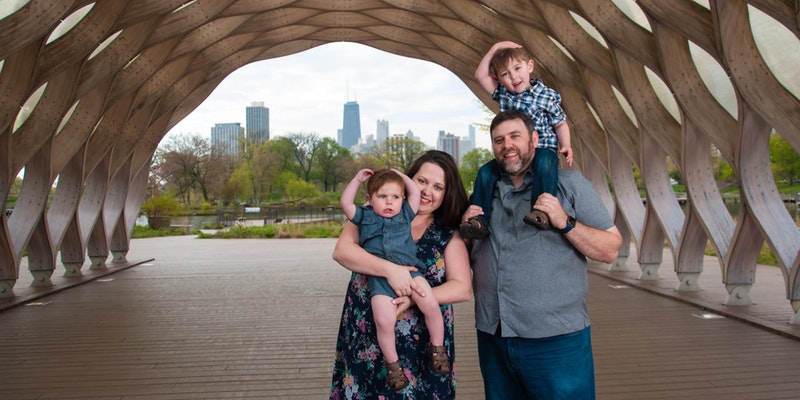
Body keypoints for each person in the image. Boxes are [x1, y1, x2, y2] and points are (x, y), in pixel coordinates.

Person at [466, 110, 622, 399]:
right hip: (494, 337)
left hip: (557, 341)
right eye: (499, 140)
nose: (507, 145)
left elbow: (611, 248)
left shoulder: (570, 185)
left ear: (535, 139)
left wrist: (565, 222)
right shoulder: (482, 197)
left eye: (515, 136)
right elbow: (458, 259)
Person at [330, 150, 471, 399]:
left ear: (447, 193)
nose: (428, 191)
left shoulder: (448, 232)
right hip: (369, 333)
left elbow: (462, 288)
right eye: (422, 181)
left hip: (421, 345)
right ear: (409, 179)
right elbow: (342, 251)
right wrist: (391, 270)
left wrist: (415, 297)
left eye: (438, 187)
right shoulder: (375, 210)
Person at [460, 41, 574, 239]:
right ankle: (479, 219)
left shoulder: (546, 96)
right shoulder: (504, 94)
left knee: (546, 164)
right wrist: (495, 47)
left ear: (530, 66)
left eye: (517, 68)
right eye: (505, 74)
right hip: (512, 153)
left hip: (542, 148)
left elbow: (560, 123)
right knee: (486, 172)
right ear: (499, 79)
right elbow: (480, 75)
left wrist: (566, 145)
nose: (513, 77)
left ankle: (541, 211)